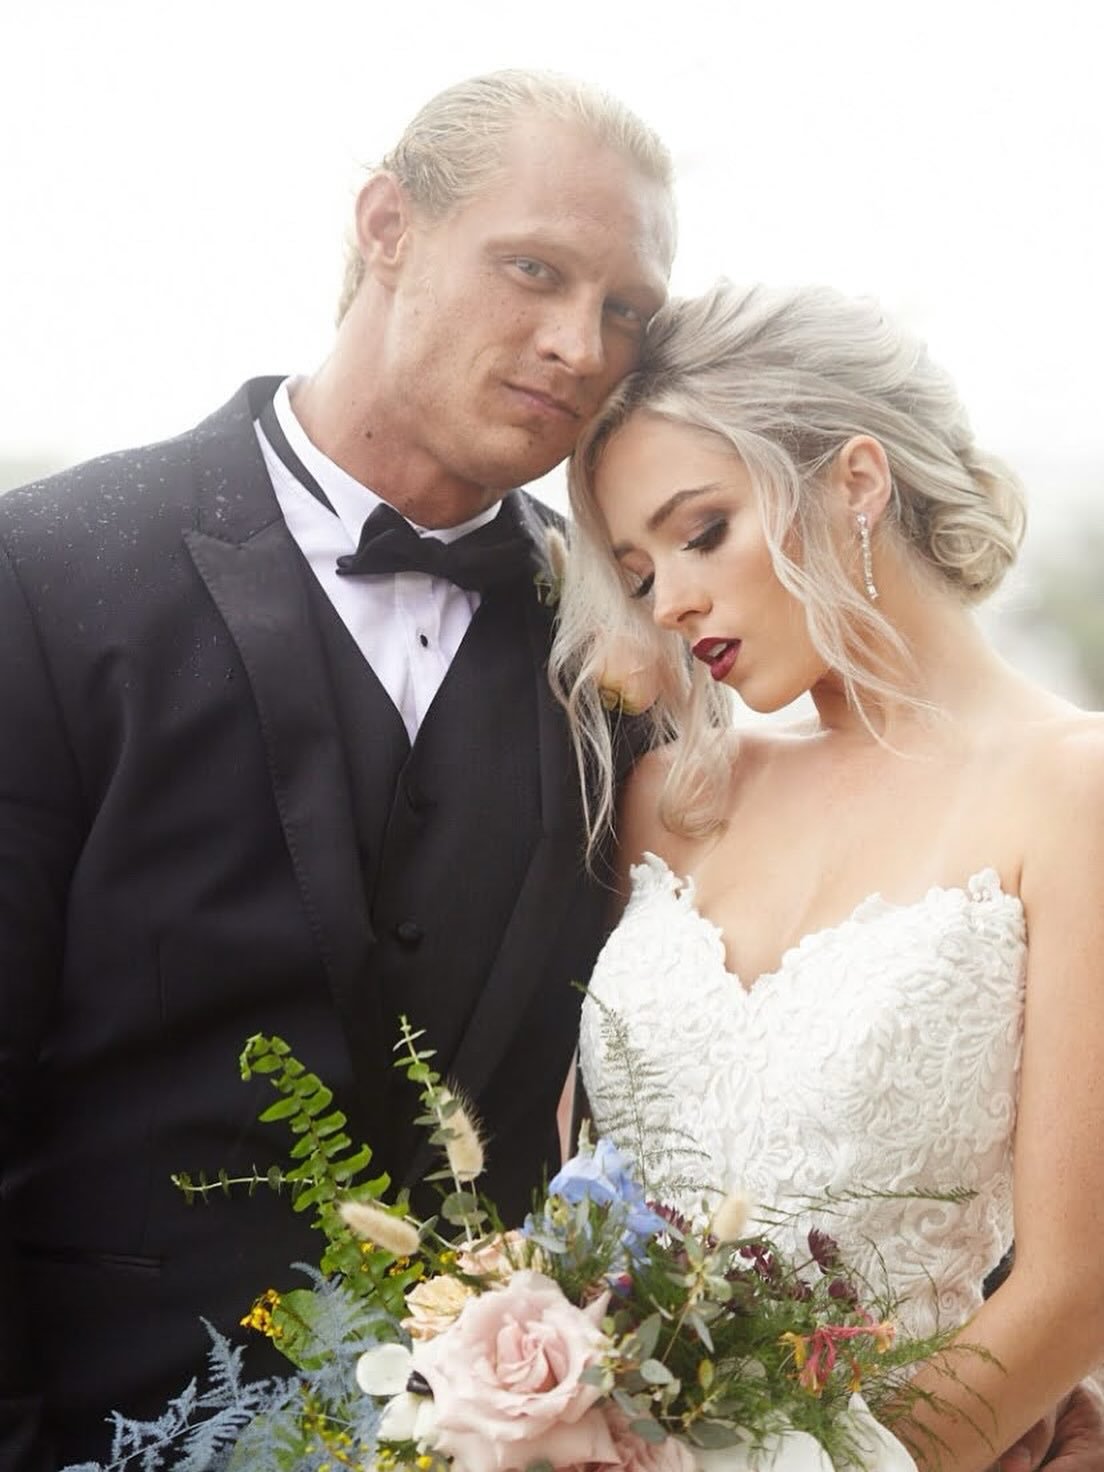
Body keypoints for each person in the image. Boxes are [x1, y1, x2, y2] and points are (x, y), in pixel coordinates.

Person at [0, 70, 675, 1469]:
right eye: (535, 270)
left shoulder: (627, 652)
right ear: (388, 226)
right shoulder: (47, 573)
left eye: (625, 313)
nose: (576, 345)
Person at [552, 280, 1104, 1470]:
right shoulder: (672, 800)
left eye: (702, 532)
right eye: (641, 571)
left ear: (856, 480)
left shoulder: (1077, 793)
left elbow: (1078, 1283)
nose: (676, 597)